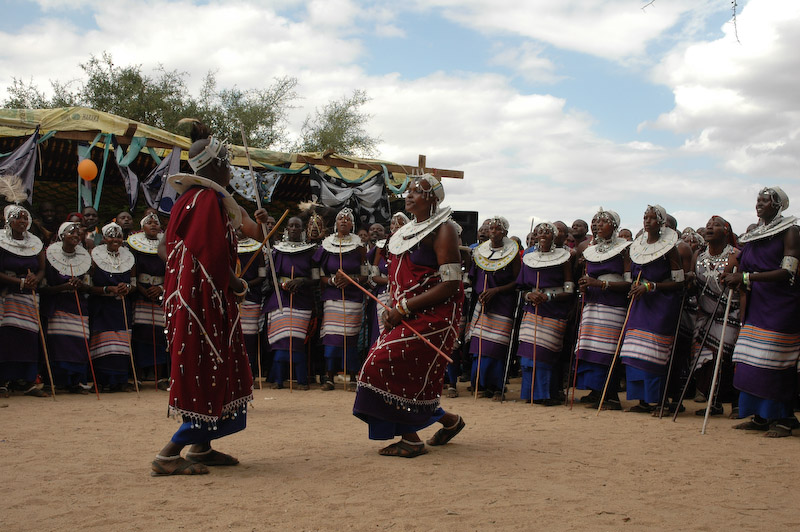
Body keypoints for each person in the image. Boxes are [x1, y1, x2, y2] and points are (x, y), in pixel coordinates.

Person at [151, 120, 268, 476]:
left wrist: (261, 223)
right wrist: (233, 282)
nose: (231, 169)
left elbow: (165, 247)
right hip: (201, 302)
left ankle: (201, 447)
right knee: (206, 366)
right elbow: (211, 254)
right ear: (216, 166)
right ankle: (169, 454)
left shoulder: (197, 200)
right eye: (228, 164)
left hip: (197, 299)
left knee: (213, 365)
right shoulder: (204, 201)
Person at [353, 174, 465, 458]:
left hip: (436, 316)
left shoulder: (445, 230)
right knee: (410, 375)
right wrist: (395, 307)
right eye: (408, 191)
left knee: (380, 366)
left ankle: (411, 440)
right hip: (404, 312)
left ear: (432, 198)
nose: (409, 195)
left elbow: (450, 284)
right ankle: (449, 421)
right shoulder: (403, 233)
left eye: (417, 191)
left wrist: (403, 307)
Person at [724, 187, 800, 437]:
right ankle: (759, 416)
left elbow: (788, 271)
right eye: (758, 200)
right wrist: (735, 278)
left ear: (779, 205)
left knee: (774, 360)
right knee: (749, 361)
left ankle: (784, 418)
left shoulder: (791, 232)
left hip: (780, 305)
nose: (759, 204)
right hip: (755, 303)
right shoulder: (754, 235)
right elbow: (743, 265)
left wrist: (746, 276)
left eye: (765, 201)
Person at [619, 205, 684, 413]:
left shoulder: (670, 248)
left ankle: (661, 400)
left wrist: (651, 286)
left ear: (661, 222)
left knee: (655, 353)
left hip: (661, 305)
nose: (647, 221)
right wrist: (636, 287)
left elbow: (679, 282)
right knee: (634, 351)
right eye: (645, 217)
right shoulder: (637, 247)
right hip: (640, 303)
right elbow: (630, 275)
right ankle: (643, 400)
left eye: (652, 218)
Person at [575, 209, 631, 409]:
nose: (598, 225)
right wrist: (586, 285)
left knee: (608, 351)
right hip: (592, 304)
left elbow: (629, 283)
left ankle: (612, 395)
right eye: (596, 222)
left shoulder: (625, 249)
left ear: (615, 226)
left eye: (603, 222)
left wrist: (600, 285)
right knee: (591, 349)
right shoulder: (590, 249)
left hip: (613, 307)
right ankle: (597, 390)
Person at [516, 222, 574, 405]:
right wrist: (529, 295)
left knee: (545, 355)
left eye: (547, 233)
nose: (542, 235)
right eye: (539, 232)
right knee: (528, 354)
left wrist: (549, 296)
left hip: (554, 310)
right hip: (532, 309)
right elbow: (521, 288)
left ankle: (546, 394)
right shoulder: (528, 258)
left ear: (555, 236)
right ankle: (530, 393)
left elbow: (569, 289)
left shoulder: (563, 258)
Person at [466, 215, 520, 399]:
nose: (493, 232)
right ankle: (478, 385)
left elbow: (517, 281)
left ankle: (496, 387)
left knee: (496, 347)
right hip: (482, 304)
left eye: (498, 229)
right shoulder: (480, 252)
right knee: (478, 345)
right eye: (491, 229)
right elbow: (473, 278)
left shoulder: (512, 254)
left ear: (505, 232)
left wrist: (495, 291)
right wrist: (481, 293)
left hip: (503, 304)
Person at [691, 215, 740, 417]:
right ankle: (714, 402)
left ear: (726, 231)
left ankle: (736, 404)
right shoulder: (699, 256)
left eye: (716, 225)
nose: (710, 227)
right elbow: (694, 284)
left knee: (727, 360)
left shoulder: (736, 255)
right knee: (708, 361)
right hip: (707, 316)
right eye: (709, 225)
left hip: (730, 314)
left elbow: (745, 286)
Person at [313, 208, 367, 391]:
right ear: (336, 223)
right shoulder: (326, 245)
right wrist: (331, 280)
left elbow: (366, 275)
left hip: (353, 297)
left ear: (352, 224)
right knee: (331, 337)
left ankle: (352, 376)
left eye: (348, 219)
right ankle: (329, 377)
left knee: (350, 337)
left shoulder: (360, 247)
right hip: (332, 296)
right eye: (340, 219)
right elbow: (318, 272)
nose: (344, 221)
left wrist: (352, 280)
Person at [40, 221, 92, 394]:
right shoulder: (49, 256)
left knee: (79, 343)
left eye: (78, 233)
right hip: (58, 306)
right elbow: (44, 287)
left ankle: (76, 381)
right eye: (71, 232)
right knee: (58, 343)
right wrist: (63, 287)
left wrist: (79, 284)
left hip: (78, 307)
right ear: (62, 235)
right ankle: (56, 381)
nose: (76, 235)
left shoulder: (85, 258)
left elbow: (88, 285)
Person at [0, 204, 46, 397]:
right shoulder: (1, 241)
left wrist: (36, 278)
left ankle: (27, 381)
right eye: (17, 217)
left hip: (29, 298)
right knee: (7, 339)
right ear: (8, 220)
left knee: (29, 339)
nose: (22, 221)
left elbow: (42, 269)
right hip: (7, 296)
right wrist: (19, 282)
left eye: (25, 218)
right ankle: (3, 381)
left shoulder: (36, 243)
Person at [266, 217, 317, 390]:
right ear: (286, 229)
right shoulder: (276, 252)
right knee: (280, 340)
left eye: (297, 225)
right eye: (291, 225)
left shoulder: (311, 252)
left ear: (302, 229)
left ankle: (302, 380)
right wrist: (283, 285)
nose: (294, 228)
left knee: (295, 340)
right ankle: (278, 380)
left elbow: (316, 277)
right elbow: (269, 277)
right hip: (281, 298)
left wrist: (301, 282)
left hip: (301, 300)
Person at [88, 222, 135, 392]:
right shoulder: (94, 257)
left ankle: (120, 380)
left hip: (121, 306)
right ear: (105, 238)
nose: (115, 239)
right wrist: (107, 289)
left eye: (118, 236)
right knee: (102, 342)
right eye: (111, 236)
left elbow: (133, 284)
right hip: (102, 306)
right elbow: (88, 286)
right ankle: (101, 381)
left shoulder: (129, 257)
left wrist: (127, 288)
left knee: (122, 343)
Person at [128, 213, 168, 388]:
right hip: (141, 294)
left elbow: (172, 268)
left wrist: (161, 288)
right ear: (142, 227)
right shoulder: (134, 246)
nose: (153, 225)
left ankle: (160, 376)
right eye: (149, 222)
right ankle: (138, 375)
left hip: (161, 293)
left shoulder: (167, 245)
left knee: (160, 335)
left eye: (156, 222)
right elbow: (132, 271)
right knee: (140, 334)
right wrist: (143, 290)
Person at [236, 229, 265, 380]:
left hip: (252, 297)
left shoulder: (257, 248)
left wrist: (245, 284)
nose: (239, 231)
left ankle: (250, 372)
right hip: (233, 296)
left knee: (249, 338)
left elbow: (261, 275)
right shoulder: (229, 246)